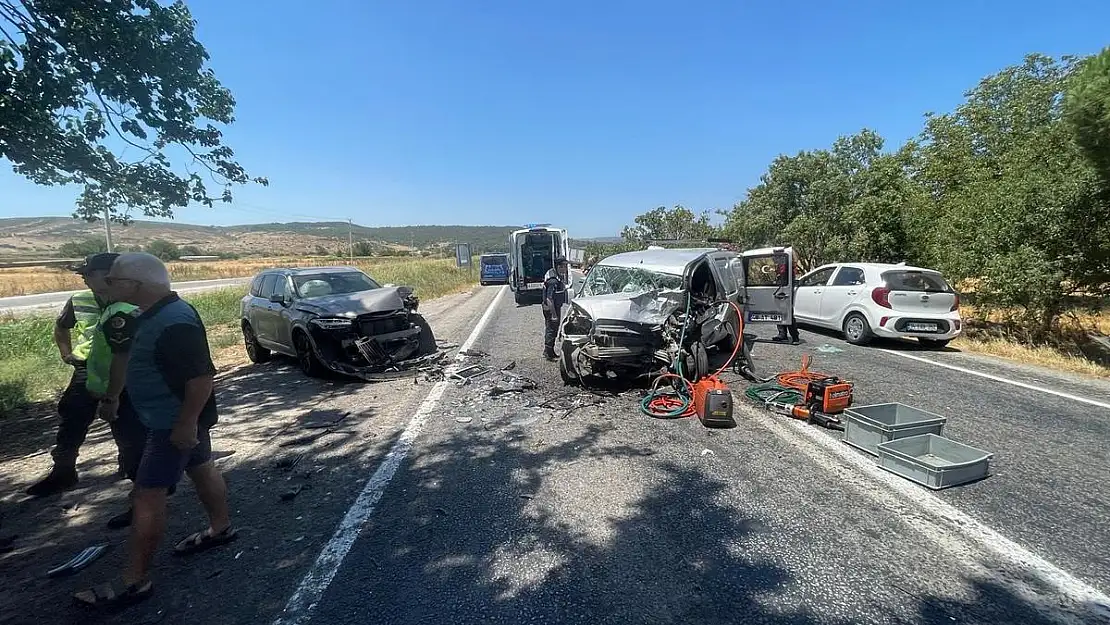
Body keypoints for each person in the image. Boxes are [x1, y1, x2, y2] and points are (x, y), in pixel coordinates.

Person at [74, 253, 236, 610]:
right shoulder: (152, 315)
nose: (107, 284)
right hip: (174, 420)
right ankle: (220, 528)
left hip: (171, 423)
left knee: (147, 496)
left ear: (136, 284)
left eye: (114, 279)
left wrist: (184, 423)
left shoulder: (173, 321)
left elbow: (201, 377)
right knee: (201, 466)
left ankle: (134, 581)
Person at [25, 253, 130, 497]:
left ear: (109, 274)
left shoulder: (131, 299)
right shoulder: (80, 300)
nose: (83, 279)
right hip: (88, 369)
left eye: (88, 273)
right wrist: (66, 354)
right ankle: (63, 471)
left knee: (124, 416)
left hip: (125, 367)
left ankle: (129, 463)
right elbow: (61, 327)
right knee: (73, 417)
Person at [541, 256, 570, 360]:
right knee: (551, 329)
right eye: (563, 266)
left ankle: (549, 351)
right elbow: (549, 299)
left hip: (553, 307)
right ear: (558, 267)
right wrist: (554, 315)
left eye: (566, 266)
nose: (565, 269)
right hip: (551, 308)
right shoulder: (553, 281)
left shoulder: (554, 274)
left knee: (552, 328)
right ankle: (548, 353)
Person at [772, 257, 800, 345]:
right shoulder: (781, 267)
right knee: (779, 313)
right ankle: (782, 334)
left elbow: (786, 280)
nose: (774, 260)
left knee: (788, 314)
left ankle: (795, 336)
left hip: (786, 293)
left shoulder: (787, 267)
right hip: (780, 292)